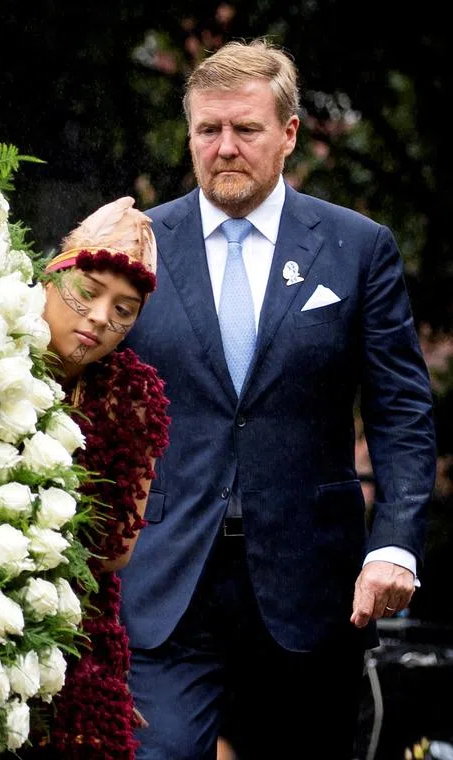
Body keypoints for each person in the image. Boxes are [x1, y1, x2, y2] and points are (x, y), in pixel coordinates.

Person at [118, 39, 436, 758]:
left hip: (312, 589)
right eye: (208, 130)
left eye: (246, 130)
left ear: (289, 134)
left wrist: (395, 545)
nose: (224, 148)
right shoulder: (137, 245)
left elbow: (401, 414)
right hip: (166, 580)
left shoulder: (357, 249)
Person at [29, 196, 170, 758]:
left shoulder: (132, 396)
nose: (99, 319)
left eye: (124, 310)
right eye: (88, 292)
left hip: (69, 618)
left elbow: (114, 549)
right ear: (50, 275)